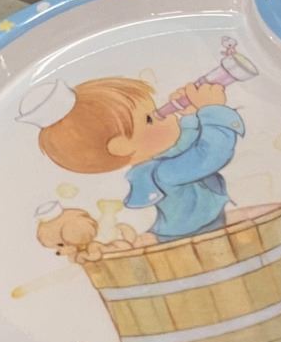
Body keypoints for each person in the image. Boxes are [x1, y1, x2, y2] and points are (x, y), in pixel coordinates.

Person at [31, 75, 245, 241]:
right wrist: (214, 111)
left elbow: (184, 145)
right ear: (122, 146)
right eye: (150, 118)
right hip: (192, 235)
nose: (164, 113)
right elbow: (208, 156)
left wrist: (191, 116)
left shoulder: (158, 159)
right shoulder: (161, 174)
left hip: (205, 226)